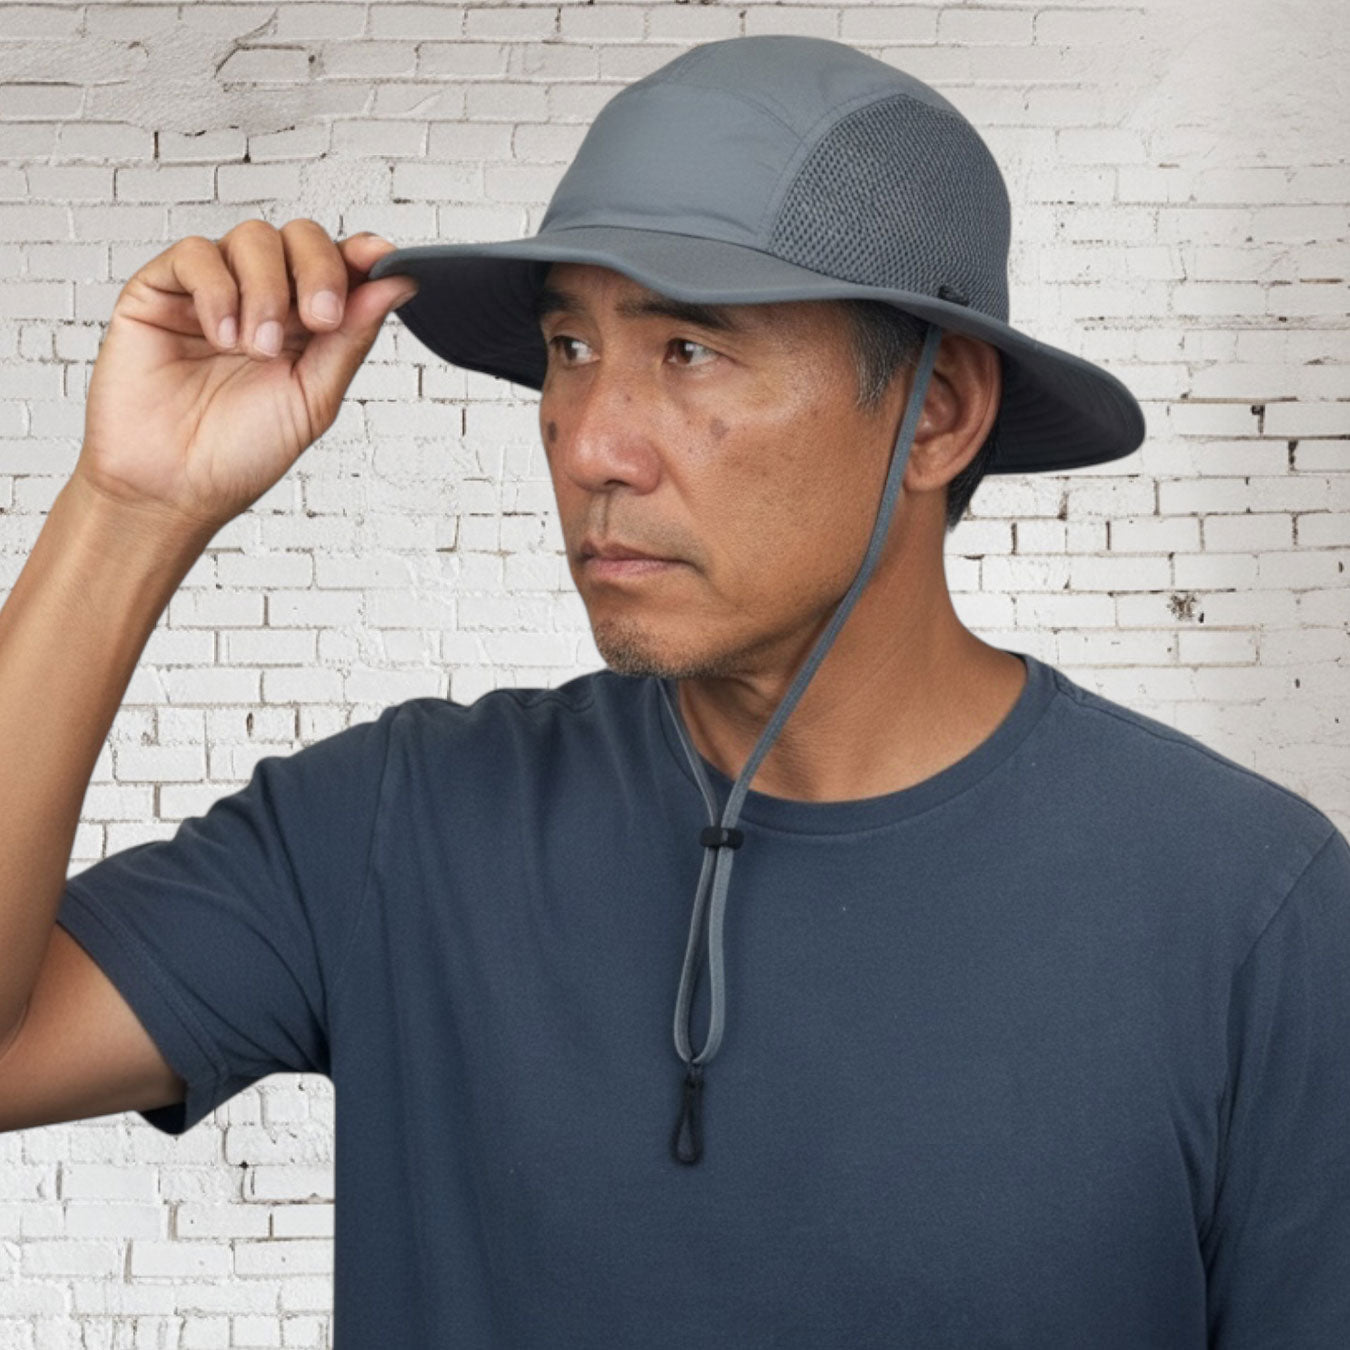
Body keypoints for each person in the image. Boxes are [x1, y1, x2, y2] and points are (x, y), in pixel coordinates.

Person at [1, 32, 1347, 1350]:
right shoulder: (394, 825)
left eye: (689, 350)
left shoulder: (1243, 902)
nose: (589, 442)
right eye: (569, 348)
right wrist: (131, 507)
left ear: (935, 414)